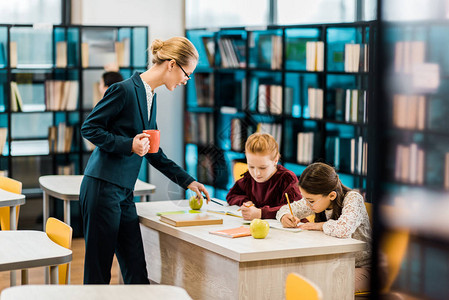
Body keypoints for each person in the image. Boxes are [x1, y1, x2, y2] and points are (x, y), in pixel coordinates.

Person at [80, 37, 210, 284]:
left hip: (125, 192)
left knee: (137, 270)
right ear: (171, 64)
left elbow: (153, 152)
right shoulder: (123, 89)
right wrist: (129, 144)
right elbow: (90, 128)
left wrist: (188, 181)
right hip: (102, 188)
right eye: (187, 73)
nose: (186, 80)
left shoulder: (152, 98)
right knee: (98, 274)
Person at [277, 162, 371, 292]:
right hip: (339, 264)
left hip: (366, 267)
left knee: (328, 286)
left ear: (332, 195)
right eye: (305, 199)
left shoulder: (353, 199)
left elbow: (343, 229)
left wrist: (319, 226)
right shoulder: (318, 201)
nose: (307, 204)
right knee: (300, 279)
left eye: (310, 201)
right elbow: (286, 208)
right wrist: (285, 216)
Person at [226, 132, 302, 220]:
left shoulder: (287, 179)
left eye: (263, 168)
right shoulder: (249, 178)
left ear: (275, 160)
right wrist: (246, 202)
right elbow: (231, 195)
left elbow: (295, 209)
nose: (256, 173)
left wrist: (261, 213)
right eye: (251, 166)